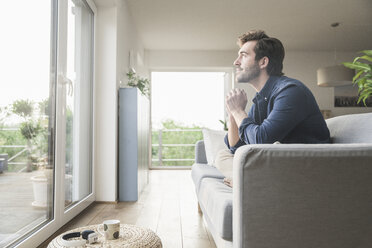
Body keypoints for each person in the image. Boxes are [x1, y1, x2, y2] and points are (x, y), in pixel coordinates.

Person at [216, 30, 330, 187]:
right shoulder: (260, 99)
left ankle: (245, 180)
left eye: (243, 55)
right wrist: (232, 113)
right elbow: (237, 147)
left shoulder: (291, 90)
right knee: (223, 155)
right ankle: (245, 179)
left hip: (303, 166)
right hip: (275, 162)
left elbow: (262, 140)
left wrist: (238, 111)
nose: (236, 62)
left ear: (263, 62)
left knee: (268, 148)